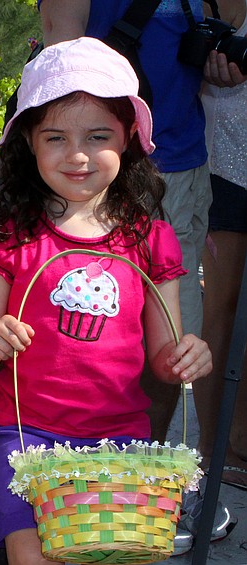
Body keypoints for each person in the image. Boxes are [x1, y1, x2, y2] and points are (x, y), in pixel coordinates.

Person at [0, 37, 213, 565]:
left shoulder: (150, 238)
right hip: (24, 439)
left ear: (128, 140)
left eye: (98, 136)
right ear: (30, 141)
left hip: (118, 443)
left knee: (113, 552)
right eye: (56, 137)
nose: (77, 155)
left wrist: (188, 356)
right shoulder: (12, 236)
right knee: (33, 555)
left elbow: (166, 362)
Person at [39, 0, 245, 444]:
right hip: (107, 170)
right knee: (95, 325)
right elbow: (62, 65)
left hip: (185, 166)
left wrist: (218, 62)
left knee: (171, 337)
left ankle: (139, 466)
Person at [197, 0, 247, 490]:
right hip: (220, 167)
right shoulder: (192, 6)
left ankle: (243, 436)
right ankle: (216, 447)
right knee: (223, 307)